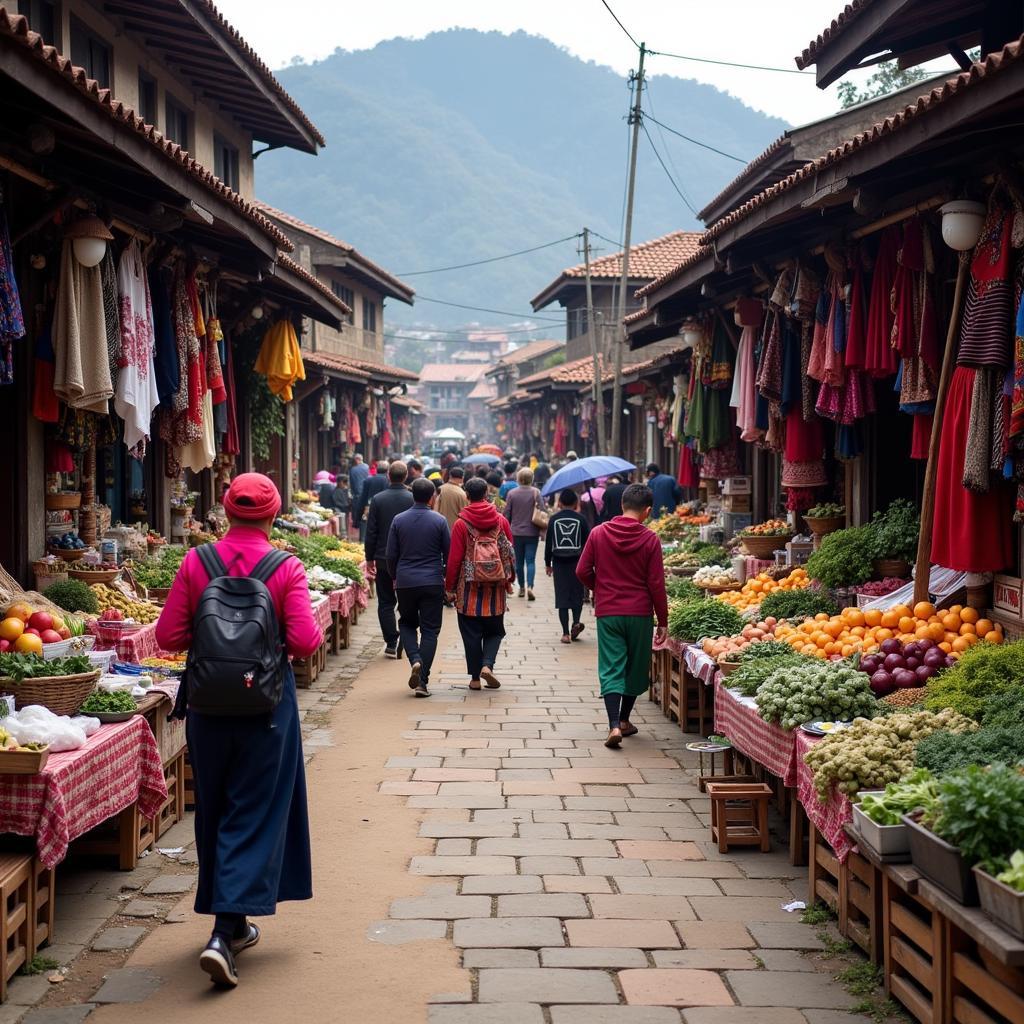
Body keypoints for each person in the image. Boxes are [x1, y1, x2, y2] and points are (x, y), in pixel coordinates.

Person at [156, 473, 320, 989]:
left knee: (217, 805)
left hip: (207, 708)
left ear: (226, 511)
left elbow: (168, 636)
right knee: (256, 809)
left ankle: (230, 921)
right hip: (266, 708)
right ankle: (226, 930)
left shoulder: (195, 561)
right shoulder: (285, 566)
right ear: (272, 517)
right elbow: (306, 642)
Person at [576, 483, 668, 749]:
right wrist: (663, 620)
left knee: (611, 666)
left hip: (609, 612)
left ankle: (615, 724)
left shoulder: (598, 533)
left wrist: (600, 588)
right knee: (635, 668)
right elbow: (656, 583)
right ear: (648, 511)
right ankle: (625, 719)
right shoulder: (650, 539)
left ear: (621, 505)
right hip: (639, 613)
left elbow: (582, 571)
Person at [444, 477, 515, 691]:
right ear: (486, 494)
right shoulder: (500, 520)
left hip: (469, 587)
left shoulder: (461, 523)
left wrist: (449, 587)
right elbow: (510, 552)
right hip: (495, 586)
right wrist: (510, 580)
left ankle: (475, 678)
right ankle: (487, 665)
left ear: (466, 495)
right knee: (495, 630)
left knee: (470, 632)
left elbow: (454, 559)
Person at [387, 477, 450, 698]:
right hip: (432, 580)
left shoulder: (398, 520)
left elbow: (391, 554)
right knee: (430, 630)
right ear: (432, 497)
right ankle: (422, 681)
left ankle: (414, 658)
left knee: (406, 623)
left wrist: (396, 576)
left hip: (405, 581)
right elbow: (449, 555)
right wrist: (445, 578)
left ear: (412, 495)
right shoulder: (439, 521)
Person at [365, 461, 414, 658]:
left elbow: (371, 532)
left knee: (385, 601)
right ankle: (405, 637)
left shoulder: (378, 499)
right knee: (406, 601)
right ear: (406, 476)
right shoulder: (412, 498)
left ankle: (391, 641)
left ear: (388, 476)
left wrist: (369, 557)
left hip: (383, 557)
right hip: (407, 559)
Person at [545, 488, 590, 644]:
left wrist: (547, 563)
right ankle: (576, 622)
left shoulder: (554, 519)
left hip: (559, 563)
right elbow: (588, 543)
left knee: (562, 597)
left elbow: (549, 542)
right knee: (577, 595)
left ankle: (565, 633)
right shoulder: (581, 519)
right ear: (576, 503)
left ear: (560, 503)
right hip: (578, 563)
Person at [503, 467, 544, 600]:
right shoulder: (536, 492)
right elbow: (542, 510)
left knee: (518, 562)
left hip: (515, 532)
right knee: (530, 561)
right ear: (531, 479)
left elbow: (507, 514)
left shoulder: (512, 493)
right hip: (532, 532)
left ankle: (521, 588)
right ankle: (530, 587)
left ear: (519, 479)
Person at [355, 459, 389, 542]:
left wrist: (358, 516)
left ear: (377, 469)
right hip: (383, 512)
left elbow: (362, 498)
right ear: (387, 470)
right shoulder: (388, 481)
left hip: (368, 511)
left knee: (365, 537)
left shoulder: (368, 480)